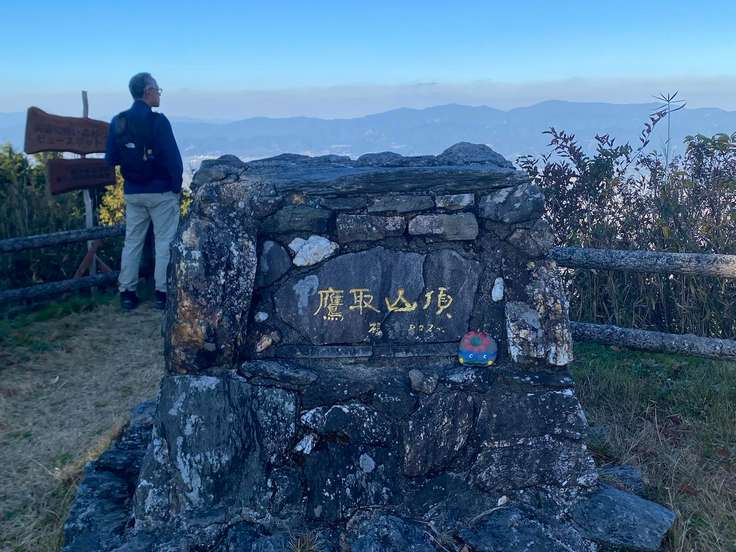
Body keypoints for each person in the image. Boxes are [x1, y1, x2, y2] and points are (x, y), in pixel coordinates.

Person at [106, 72, 183, 310]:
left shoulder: (118, 121)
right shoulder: (158, 121)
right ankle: (162, 293)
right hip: (161, 192)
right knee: (165, 241)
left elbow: (111, 158)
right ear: (148, 91)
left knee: (132, 242)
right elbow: (173, 159)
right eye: (157, 90)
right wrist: (176, 187)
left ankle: (127, 293)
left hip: (133, 191)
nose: (159, 94)